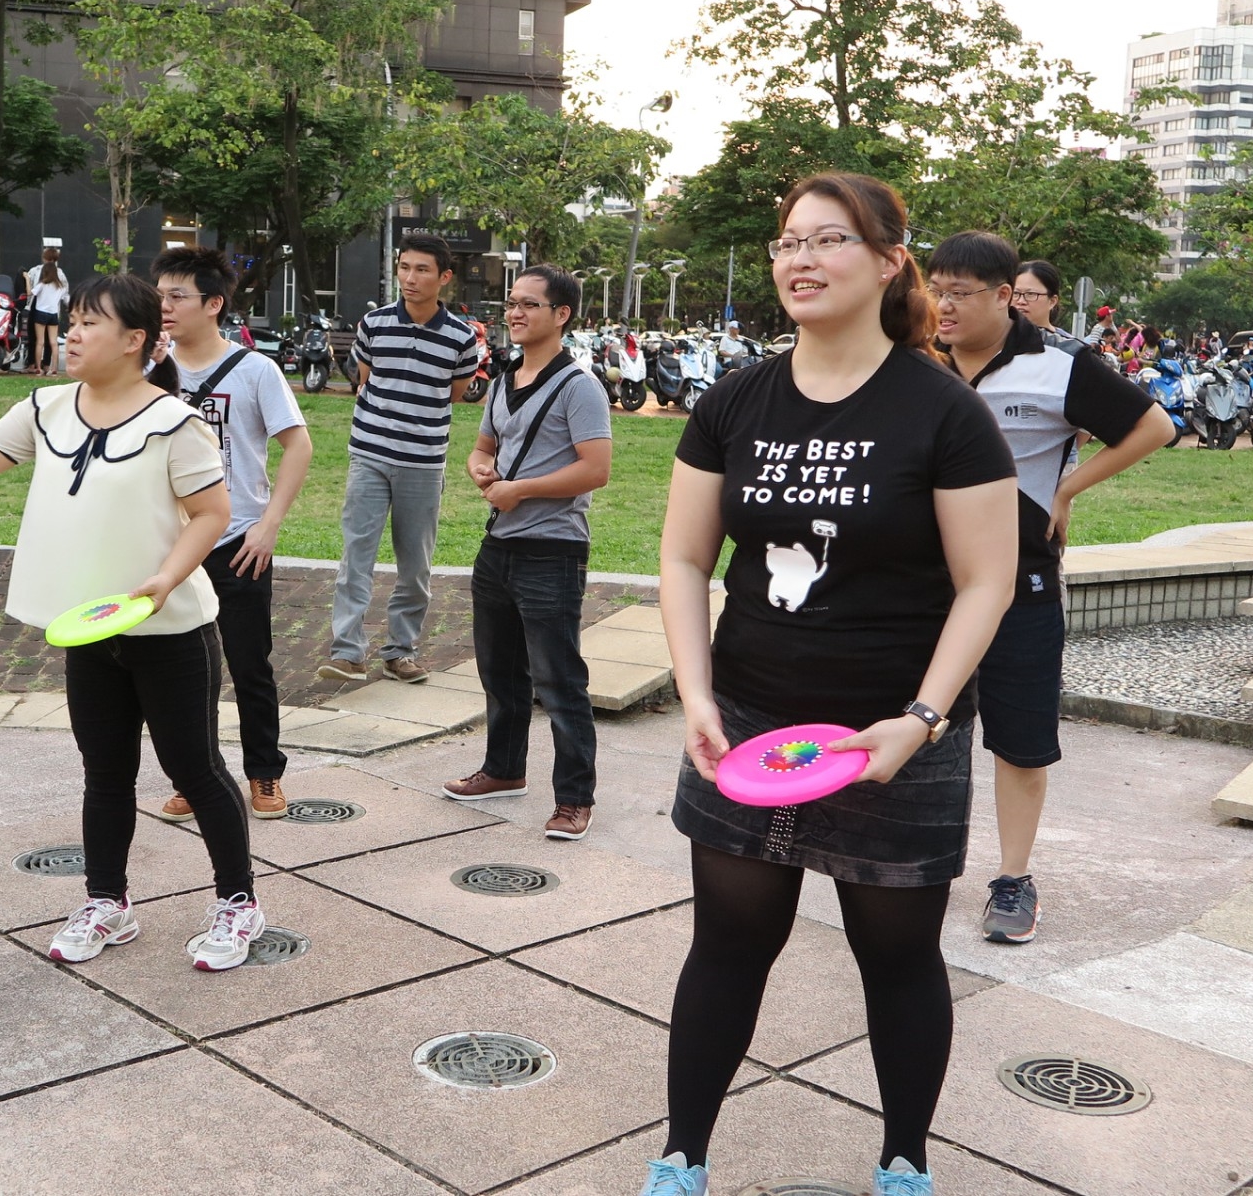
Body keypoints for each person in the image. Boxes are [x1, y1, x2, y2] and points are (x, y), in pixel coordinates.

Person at [645, 173, 1016, 1196]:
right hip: (751, 721)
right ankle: (680, 1157)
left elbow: (987, 581)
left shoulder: (941, 412)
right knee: (724, 945)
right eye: (785, 243)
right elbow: (682, 559)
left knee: (896, 957)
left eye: (827, 240)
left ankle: (903, 1160)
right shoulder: (733, 400)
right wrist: (697, 692)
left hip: (891, 733)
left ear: (889, 259)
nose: (797, 260)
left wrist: (921, 717)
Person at [0, 274, 271, 971]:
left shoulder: (173, 422)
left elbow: (214, 514)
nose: (71, 333)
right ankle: (108, 902)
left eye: (89, 324)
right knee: (105, 771)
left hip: (170, 631)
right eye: (70, 320)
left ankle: (238, 903)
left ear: (134, 340)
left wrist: (164, 579)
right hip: (88, 627)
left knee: (194, 766)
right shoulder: (46, 408)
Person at [929, 231, 1174, 947]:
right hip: (919, 583)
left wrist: (1068, 489)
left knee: (1021, 742)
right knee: (918, 723)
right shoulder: (914, 358)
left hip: (1019, 584)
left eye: (961, 294)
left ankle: (1013, 878)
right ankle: (915, 858)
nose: (942, 305)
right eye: (935, 289)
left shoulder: (1059, 365)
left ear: (1007, 296)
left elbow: (1153, 426)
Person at [443, 265, 613, 839]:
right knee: (499, 670)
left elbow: (596, 470)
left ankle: (574, 798)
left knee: (559, 678)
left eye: (528, 305)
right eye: (510, 303)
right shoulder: (503, 378)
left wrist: (521, 490)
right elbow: (483, 445)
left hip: (553, 550)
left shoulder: (579, 387)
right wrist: (479, 468)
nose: (513, 313)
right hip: (499, 545)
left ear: (561, 315)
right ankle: (502, 770)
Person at [154, 245, 312, 823]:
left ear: (214, 304)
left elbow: (298, 443)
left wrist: (268, 526)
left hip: (239, 541)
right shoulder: (150, 368)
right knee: (181, 673)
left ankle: (264, 774)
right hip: (171, 545)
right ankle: (192, 779)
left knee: (250, 665)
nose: (164, 306)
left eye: (178, 296)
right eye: (160, 295)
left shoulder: (255, 370)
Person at [319, 232, 482, 683]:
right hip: (369, 455)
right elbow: (366, 380)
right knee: (357, 555)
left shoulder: (461, 338)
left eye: (422, 270)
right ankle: (347, 651)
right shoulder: (374, 324)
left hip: (423, 464)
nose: (410, 278)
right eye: (404, 267)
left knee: (415, 565)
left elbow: (453, 394)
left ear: (444, 277)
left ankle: (400, 651)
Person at [24, 247, 68, 376]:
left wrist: (27, 278)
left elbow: (29, 293)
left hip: (40, 312)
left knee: (40, 341)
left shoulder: (42, 283)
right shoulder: (60, 286)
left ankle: (37, 367)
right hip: (53, 313)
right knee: (53, 342)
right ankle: (53, 368)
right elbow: (64, 296)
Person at [1011, 260, 1073, 341]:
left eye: (1030, 294)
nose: (1021, 301)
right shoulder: (994, 343)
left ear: (1052, 301)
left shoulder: (1070, 348)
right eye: (1016, 293)